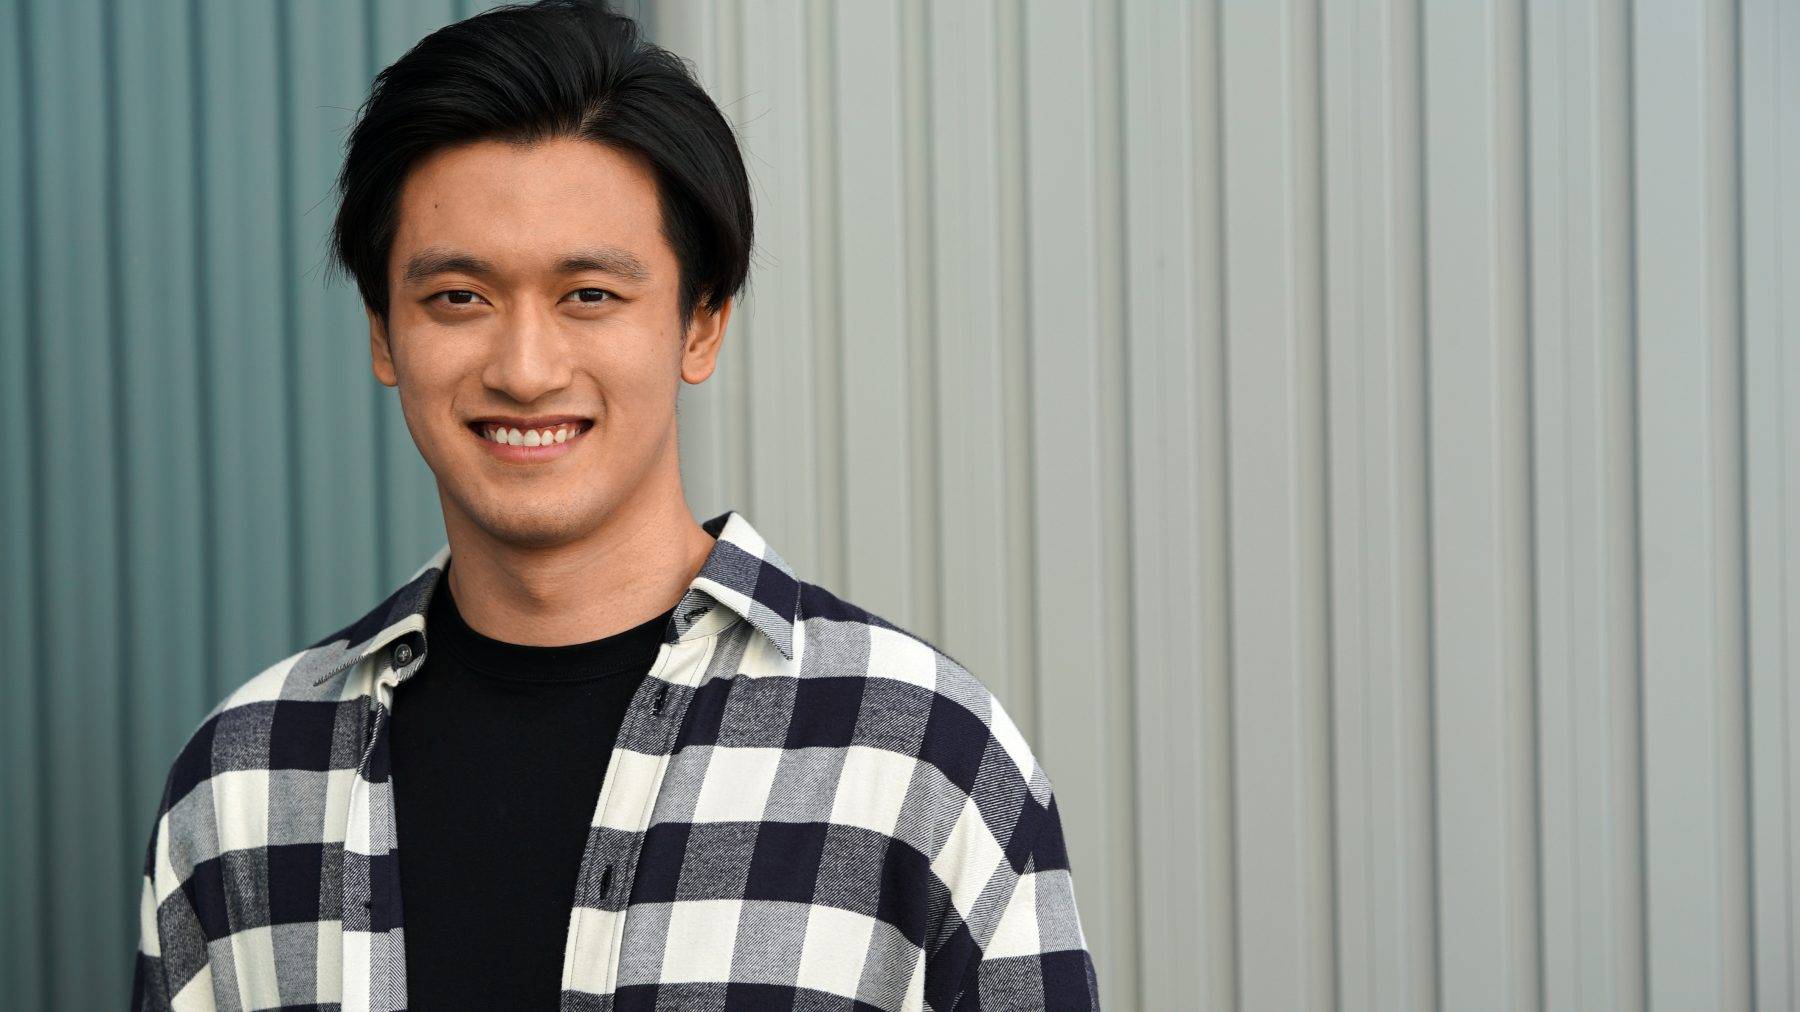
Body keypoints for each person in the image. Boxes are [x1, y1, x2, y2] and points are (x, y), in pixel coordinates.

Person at [130, 1, 1098, 1009]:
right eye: (459, 297)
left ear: (701, 323)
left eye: (588, 294)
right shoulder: (246, 781)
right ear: (384, 332)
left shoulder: (918, 753)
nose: (525, 368)